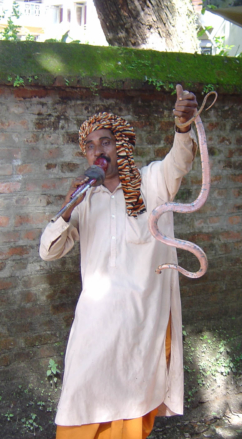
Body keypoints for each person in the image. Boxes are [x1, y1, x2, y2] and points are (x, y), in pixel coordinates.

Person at [39, 85, 199, 439]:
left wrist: (183, 127)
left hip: (140, 324)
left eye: (106, 142)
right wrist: (67, 208)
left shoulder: (152, 183)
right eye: (91, 146)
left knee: (130, 409)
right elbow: (48, 252)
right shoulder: (85, 199)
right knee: (78, 403)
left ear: (121, 146)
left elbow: (180, 160)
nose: (99, 151)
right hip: (94, 323)